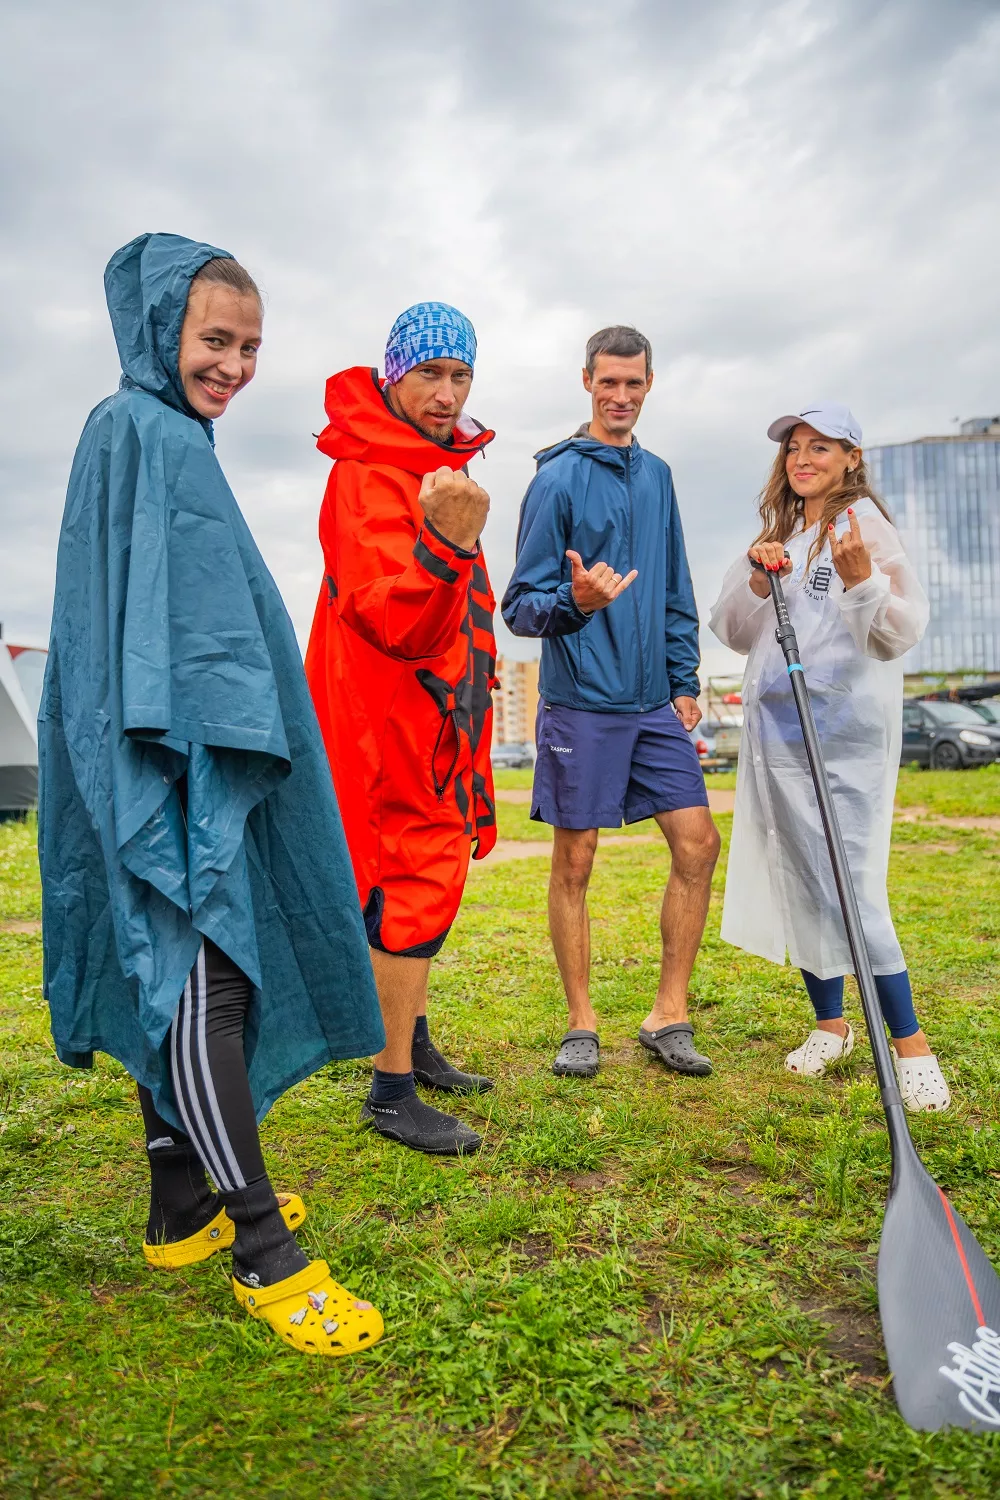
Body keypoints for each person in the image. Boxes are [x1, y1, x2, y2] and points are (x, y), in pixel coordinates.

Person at [40, 233, 387, 1357]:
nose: (234, 364)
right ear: (159, 332)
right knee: (208, 976)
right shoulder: (148, 433)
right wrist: (213, 747)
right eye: (214, 340)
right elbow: (177, 635)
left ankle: (179, 1207)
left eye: (249, 346)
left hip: (148, 747)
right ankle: (262, 1253)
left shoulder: (136, 430)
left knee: (170, 964)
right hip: (174, 757)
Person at [709, 402, 950, 1112]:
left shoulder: (862, 527)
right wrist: (758, 579)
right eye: (794, 448)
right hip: (778, 739)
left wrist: (861, 581)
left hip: (841, 740)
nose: (803, 458)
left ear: (851, 458)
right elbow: (732, 628)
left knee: (851, 886)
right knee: (803, 878)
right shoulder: (780, 533)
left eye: (821, 447)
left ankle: (911, 1047)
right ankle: (832, 1025)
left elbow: (898, 631)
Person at [501, 325, 720, 1080]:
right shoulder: (557, 478)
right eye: (607, 383)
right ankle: (581, 1024)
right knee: (576, 858)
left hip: (653, 700)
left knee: (697, 844)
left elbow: (674, 584)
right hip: (582, 701)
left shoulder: (658, 476)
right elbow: (519, 606)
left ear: (650, 384)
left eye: (633, 384)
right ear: (586, 381)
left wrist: (684, 678)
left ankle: (669, 1014)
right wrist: (577, 601)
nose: (620, 396)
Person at [305, 303, 498, 1156]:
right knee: (407, 888)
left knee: (434, 877)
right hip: (389, 724)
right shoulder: (366, 473)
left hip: (435, 718)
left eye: (460, 376)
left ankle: (409, 1043)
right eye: (429, 374)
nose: (447, 393)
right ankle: (388, 1089)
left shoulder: (431, 467)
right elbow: (394, 618)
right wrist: (448, 548)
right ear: (393, 376)